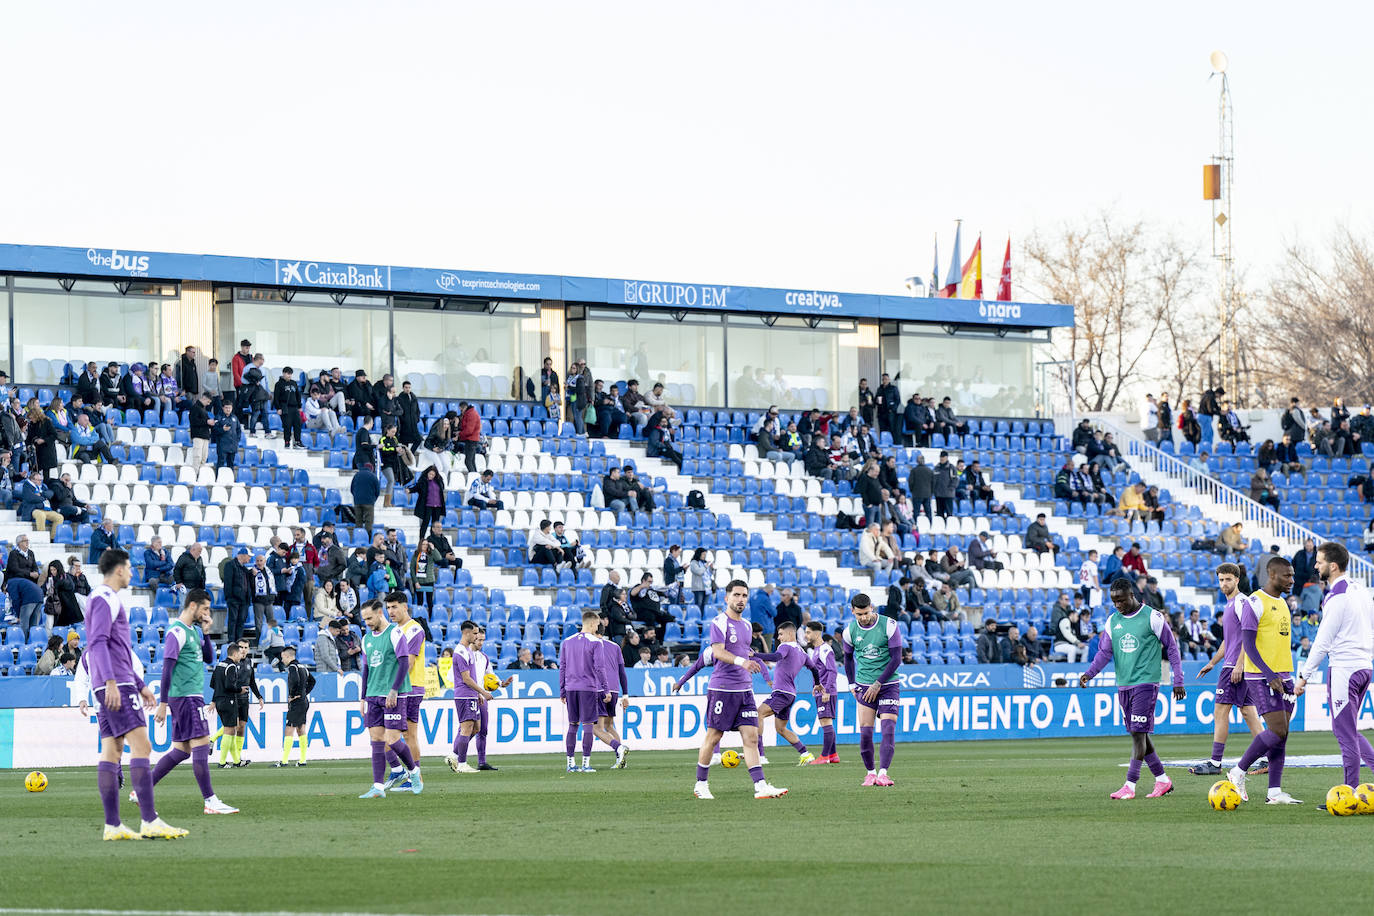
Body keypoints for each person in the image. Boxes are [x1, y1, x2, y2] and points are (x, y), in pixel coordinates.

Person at [86, 548, 188, 840]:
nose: (133, 573)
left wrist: (139, 683)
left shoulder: (102, 598)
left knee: (112, 750)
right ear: (119, 569)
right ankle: (149, 820)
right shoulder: (106, 598)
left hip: (114, 681)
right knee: (142, 747)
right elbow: (98, 643)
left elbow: (116, 648)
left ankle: (113, 825)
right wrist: (112, 682)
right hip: (114, 682)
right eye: (129, 568)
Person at [1077, 579, 1185, 800]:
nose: (1118, 605)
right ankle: (1163, 780)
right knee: (1140, 732)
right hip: (1124, 684)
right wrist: (1090, 673)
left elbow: (1172, 648)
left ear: (1132, 595)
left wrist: (1178, 680)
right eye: (1114, 601)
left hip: (1146, 682)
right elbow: (1104, 653)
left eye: (1122, 600)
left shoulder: (1153, 617)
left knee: (1137, 732)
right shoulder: (1112, 621)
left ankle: (1130, 784)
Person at [691, 581, 787, 800]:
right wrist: (741, 662)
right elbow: (717, 652)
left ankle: (760, 786)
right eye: (736, 595)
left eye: (744, 595)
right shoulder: (719, 622)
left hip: (744, 690)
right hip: (723, 689)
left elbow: (746, 652)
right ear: (727, 598)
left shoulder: (746, 625)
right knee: (714, 736)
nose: (740, 599)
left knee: (751, 737)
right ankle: (701, 784)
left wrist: (755, 663)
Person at [145, 589, 238, 815]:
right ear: (193, 606)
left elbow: (209, 658)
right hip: (186, 696)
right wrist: (163, 703)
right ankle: (210, 800)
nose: (208, 613)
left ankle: (142, 789)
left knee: (182, 750)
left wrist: (206, 633)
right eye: (205, 608)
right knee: (202, 744)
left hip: (191, 695)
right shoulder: (176, 632)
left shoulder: (193, 631)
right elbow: (167, 668)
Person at [1296, 542, 1374, 793]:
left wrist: (1303, 677)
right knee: (1349, 729)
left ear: (1333, 565)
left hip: (1344, 669)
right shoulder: (1361, 589)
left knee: (1343, 733)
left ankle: (1349, 792)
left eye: (1319, 562)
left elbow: (1321, 642)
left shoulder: (1336, 597)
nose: (1315, 566)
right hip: (1364, 666)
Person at [1226, 556, 1301, 804]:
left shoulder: (1283, 603)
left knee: (1282, 734)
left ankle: (1274, 792)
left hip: (1284, 675)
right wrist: (1269, 675)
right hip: (1261, 676)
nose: (1292, 580)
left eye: (1292, 575)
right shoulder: (1255, 602)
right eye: (1287, 575)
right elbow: (1247, 643)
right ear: (1272, 575)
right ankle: (1238, 771)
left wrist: (1285, 675)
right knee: (1277, 730)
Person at [1187, 564, 1265, 776]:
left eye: (1228, 579)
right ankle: (1266, 758)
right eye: (1221, 580)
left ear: (1237, 580)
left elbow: (1250, 636)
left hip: (1235, 666)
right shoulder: (1230, 604)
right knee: (1248, 712)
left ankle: (1215, 762)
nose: (1224, 584)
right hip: (1235, 664)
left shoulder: (1241, 602)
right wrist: (1212, 662)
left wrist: (1239, 664)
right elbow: (1229, 641)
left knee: (1221, 711)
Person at [356, 599, 422, 798]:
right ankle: (377, 787)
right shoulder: (366, 639)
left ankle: (414, 771)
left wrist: (394, 690)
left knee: (392, 740)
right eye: (364, 619)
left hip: (393, 695)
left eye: (369, 618)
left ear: (379, 613)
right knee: (376, 740)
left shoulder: (394, 633)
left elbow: (404, 663)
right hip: (373, 695)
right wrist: (363, 698)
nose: (367, 622)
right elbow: (366, 669)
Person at [842, 593, 903, 786]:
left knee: (888, 729)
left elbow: (896, 659)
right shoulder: (849, 631)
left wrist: (878, 683)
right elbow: (848, 659)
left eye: (866, 613)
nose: (863, 617)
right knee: (866, 733)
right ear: (852, 611)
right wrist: (852, 684)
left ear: (872, 608)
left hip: (888, 685)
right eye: (859, 614)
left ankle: (884, 773)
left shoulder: (889, 625)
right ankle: (870, 773)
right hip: (864, 686)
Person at [752, 621, 824, 765]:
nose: (779, 637)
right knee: (781, 728)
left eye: (781, 634)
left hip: (781, 692)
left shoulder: (786, 646)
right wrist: (817, 684)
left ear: (790, 634)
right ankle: (805, 753)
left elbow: (777, 657)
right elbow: (814, 669)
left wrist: (755, 654)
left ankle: (760, 755)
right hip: (790, 694)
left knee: (758, 714)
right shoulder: (801, 652)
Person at [380, 592, 427, 789]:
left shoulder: (414, 629)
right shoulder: (393, 630)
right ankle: (403, 773)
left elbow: (408, 662)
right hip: (396, 689)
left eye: (394, 607)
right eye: (388, 607)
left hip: (411, 687)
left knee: (409, 736)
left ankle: (415, 778)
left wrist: (394, 687)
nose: (390, 611)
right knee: (385, 735)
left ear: (405, 607)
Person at [445, 620, 493, 774]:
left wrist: (478, 693)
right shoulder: (460, 652)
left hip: (471, 694)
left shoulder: (468, 651)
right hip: (464, 695)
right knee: (466, 728)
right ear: (466, 633)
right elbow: (466, 678)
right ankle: (462, 763)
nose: (476, 636)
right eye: (474, 633)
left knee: (476, 728)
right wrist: (483, 692)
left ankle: (454, 755)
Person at [468, 626, 513, 770]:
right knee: (467, 728)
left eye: (483, 640)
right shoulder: (465, 654)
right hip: (469, 696)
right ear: (473, 637)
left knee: (483, 729)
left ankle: (481, 762)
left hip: (482, 697)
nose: (481, 642)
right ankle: (456, 755)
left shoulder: (484, 658)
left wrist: (501, 683)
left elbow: (490, 675)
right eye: (479, 639)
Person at [593, 626, 632, 770]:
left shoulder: (590, 644)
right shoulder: (615, 646)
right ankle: (622, 760)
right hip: (614, 690)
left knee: (596, 728)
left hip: (599, 689)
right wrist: (625, 695)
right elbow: (622, 671)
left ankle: (619, 748)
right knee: (609, 726)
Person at [209, 642, 244, 770]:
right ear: (234, 654)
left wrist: (214, 701)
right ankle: (222, 762)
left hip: (218, 700)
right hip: (228, 700)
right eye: (240, 653)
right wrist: (240, 689)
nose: (241, 655)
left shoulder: (219, 665)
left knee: (230, 729)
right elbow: (229, 686)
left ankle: (236, 761)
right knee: (229, 730)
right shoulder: (231, 666)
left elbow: (213, 684)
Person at [410, 465, 446, 544]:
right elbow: (416, 488)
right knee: (425, 523)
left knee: (435, 524)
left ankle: (434, 540)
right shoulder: (423, 481)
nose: (431, 476)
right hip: (428, 505)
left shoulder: (439, 481)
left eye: (433, 475)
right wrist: (409, 490)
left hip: (438, 506)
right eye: (430, 474)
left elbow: (441, 491)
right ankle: (421, 540)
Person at [351, 463, 381, 532]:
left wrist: (356, 497)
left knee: (358, 521)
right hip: (369, 502)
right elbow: (377, 491)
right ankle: (367, 538)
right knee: (369, 521)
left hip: (357, 502)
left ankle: (358, 536)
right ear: (371, 469)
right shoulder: (373, 476)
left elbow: (352, 489)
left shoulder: (356, 475)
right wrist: (373, 499)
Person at [214, 401, 241, 470]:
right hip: (222, 446)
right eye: (226, 408)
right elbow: (214, 430)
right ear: (223, 408)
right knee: (221, 464)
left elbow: (238, 430)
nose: (228, 409)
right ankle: (218, 479)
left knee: (231, 464)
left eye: (230, 408)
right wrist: (222, 429)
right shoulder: (218, 417)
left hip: (233, 446)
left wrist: (237, 440)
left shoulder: (235, 418)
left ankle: (230, 480)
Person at [456, 401, 482, 472]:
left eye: (461, 410)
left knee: (468, 462)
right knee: (471, 461)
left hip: (471, 440)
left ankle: (473, 477)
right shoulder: (470, 413)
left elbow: (469, 430)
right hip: (472, 440)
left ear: (464, 407)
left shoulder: (471, 414)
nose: (461, 412)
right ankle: (475, 476)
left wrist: (460, 434)